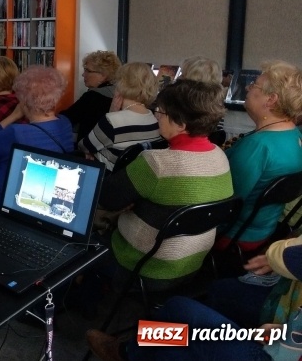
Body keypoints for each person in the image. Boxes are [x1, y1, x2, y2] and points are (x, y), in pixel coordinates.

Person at [95, 80, 233, 290]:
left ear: (181, 124)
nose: (157, 116)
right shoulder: (220, 155)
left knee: (83, 243)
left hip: (145, 267)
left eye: (161, 112)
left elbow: (107, 199)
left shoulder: (156, 162)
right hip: (193, 264)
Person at [86, 235, 302, 361]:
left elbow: (289, 256)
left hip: (275, 354)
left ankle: (125, 353)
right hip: (287, 327)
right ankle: (145, 348)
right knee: (215, 295)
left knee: (179, 312)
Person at [0, 66, 74, 212]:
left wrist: (13, 116)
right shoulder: (65, 124)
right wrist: (2, 157)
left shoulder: (16, 132)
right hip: (36, 203)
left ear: (23, 101)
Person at [216, 61, 302, 253]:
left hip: (235, 237)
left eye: (254, 84)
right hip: (265, 231)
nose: (247, 87)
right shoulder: (295, 135)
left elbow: (225, 203)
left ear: (271, 99)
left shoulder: (259, 146)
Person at [79, 62, 162, 171]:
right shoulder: (154, 118)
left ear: (121, 84)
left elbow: (83, 146)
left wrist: (93, 153)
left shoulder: (112, 121)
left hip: (108, 179)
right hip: (134, 177)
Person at [60, 50, 121, 144]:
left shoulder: (93, 96)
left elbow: (67, 118)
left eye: (88, 71)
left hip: (87, 149)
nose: (83, 74)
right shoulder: (119, 93)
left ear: (103, 75)